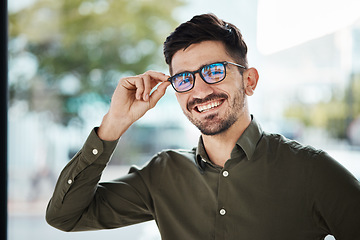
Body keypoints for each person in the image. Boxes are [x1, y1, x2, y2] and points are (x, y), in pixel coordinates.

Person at [46, 13, 360, 239]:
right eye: (185, 78)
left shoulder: (311, 170)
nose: (199, 90)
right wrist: (113, 125)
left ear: (248, 81)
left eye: (213, 71)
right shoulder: (162, 174)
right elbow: (65, 216)